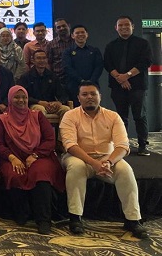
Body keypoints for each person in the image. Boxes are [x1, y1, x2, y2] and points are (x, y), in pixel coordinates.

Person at [60, 82, 149, 239]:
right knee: (76, 167)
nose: (89, 97)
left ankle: (133, 220)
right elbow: (70, 145)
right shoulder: (70, 116)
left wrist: (109, 162)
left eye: (93, 94)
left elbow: (122, 146)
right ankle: (75, 217)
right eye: (85, 94)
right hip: (78, 157)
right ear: (78, 98)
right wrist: (94, 163)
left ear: (100, 96)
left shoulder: (113, 116)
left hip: (107, 159)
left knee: (125, 170)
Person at [0, 85, 65, 234]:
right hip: (13, 157)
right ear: (10, 99)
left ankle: (43, 220)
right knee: (14, 174)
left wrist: (35, 155)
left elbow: (50, 140)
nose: (21, 100)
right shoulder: (2, 120)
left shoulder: (37, 116)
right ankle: (22, 214)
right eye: (17, 97)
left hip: (39, 155)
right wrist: (12, 158)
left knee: (40, 174)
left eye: (24, 97)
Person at [103, 15, 153, 155]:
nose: (124, 27)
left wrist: (127, 75)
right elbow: (107, 64)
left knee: (139, 116)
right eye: (120, 25)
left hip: (137, 86)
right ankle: (122, 145)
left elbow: (146, 62)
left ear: (132, 26)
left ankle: (143, 145)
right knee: (121, 117)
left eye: (127, 25)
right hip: (117, 86)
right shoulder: (111, 46)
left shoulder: (143, 43)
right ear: (116, 28)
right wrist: (120, 78)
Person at [19, 50, 70, 120]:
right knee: (40, 110)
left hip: (51, 105)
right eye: (39, 58)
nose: (42, 60)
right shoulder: (26, 77)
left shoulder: (53, 76)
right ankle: (43, 127)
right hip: (34, 104)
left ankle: (63, 128)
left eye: (44, 58)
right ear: (33, 60)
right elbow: (23, 97)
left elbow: (62, 94)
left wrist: (59, 102)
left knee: (66, 109)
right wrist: (39, 102)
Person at [62, 24, 104, 105]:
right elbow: (67, 68)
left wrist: (91, 81)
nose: (80, 34)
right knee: (76, 110)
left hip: (93, 85)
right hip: (74, 86)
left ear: (87, 34)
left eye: (82, 32)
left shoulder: (94, 50)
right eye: (77, 33)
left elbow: (99, 67)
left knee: (94, 108)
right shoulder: (67, 52)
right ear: (72, 36)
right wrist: (81, 80)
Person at [47, 18, 74, 87]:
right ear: (56, 30)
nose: (62, 28)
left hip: (75, 79)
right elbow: (49, 63)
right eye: (58, 27)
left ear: (69, 26)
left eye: (64, 26)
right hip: (59, 80)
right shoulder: (51, 44)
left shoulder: (76, 41)